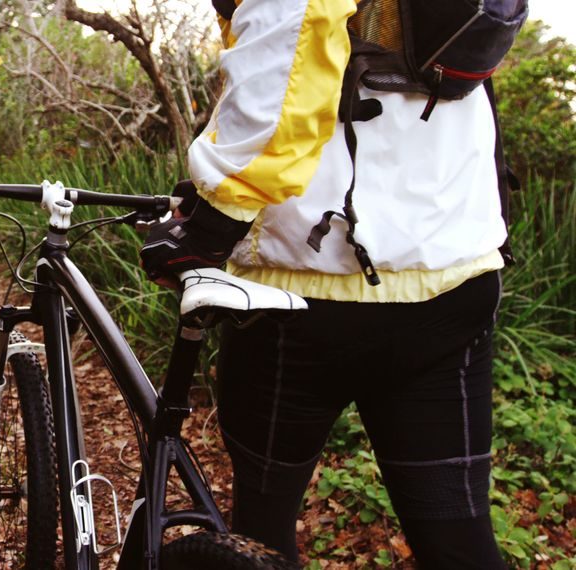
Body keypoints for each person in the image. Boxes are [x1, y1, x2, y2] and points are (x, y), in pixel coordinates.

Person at [140, 1, 519, 568]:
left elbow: (294, 38)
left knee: (260, 537)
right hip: (450, 273)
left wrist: (212, 222)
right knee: (458, 542)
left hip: (299, 295)